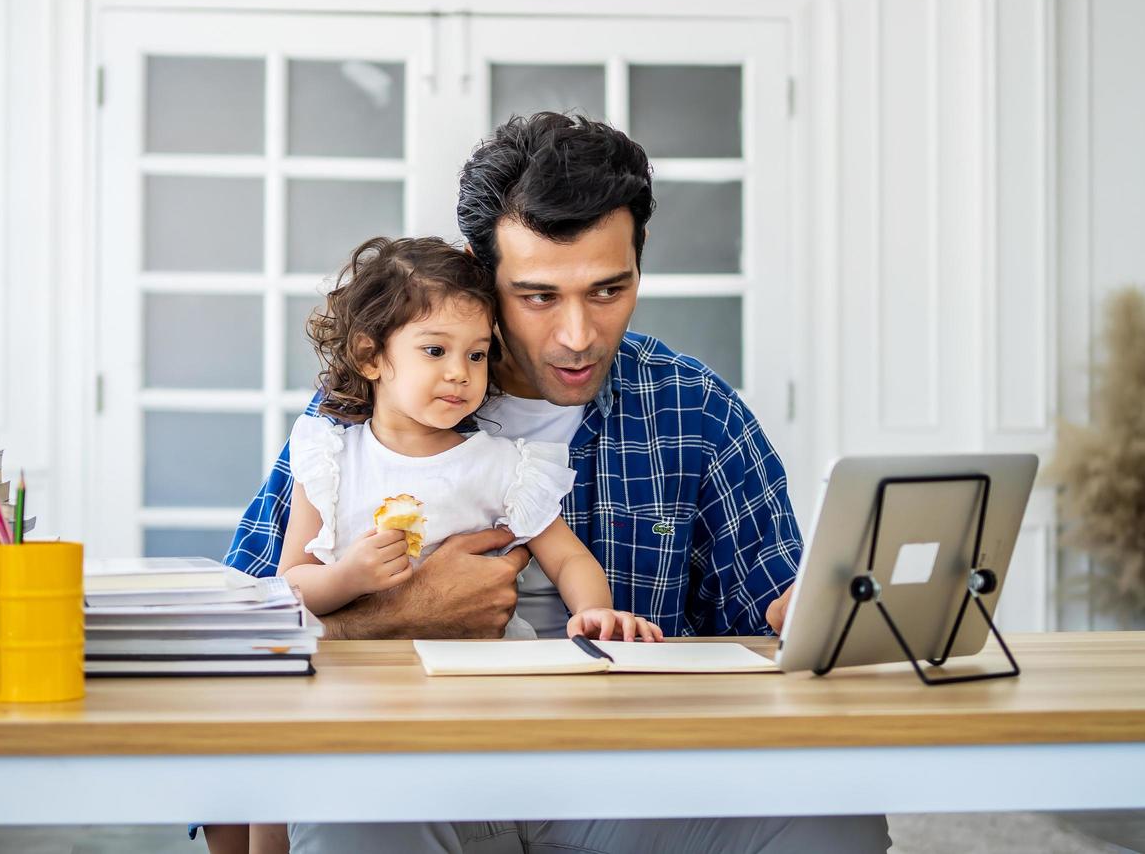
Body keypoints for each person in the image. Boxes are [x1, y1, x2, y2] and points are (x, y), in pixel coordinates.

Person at [200, 113, 886, 854]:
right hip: (411, 771)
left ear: (640, 256)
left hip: (620, 776)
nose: (577, 335)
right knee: (345, 819)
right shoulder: (361, 421)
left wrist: (811, 616)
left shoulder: (696, 410)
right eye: (537, 297)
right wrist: (393, 614)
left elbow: (774, 621)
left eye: (607, 290)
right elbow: (238, 651)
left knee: (832, 821)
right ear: (478, 268)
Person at [277, 234, 662, 645]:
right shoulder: (330, 459)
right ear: (370, 356)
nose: (460, 372)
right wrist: (345, 578)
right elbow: (289, 586)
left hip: (483, 680)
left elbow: (568, 559)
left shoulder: (503, 466)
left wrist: (594, 611)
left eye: (476, 355)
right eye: (435, 350)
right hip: (370, 686)